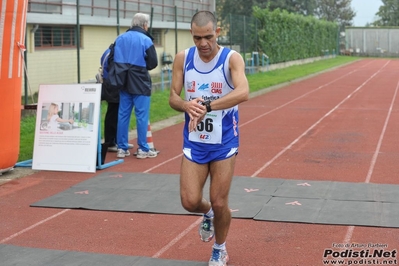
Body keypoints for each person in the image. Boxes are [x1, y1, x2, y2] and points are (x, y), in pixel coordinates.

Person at [168, 11, 249, 266]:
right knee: (189, 200)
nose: (203, 43)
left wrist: (208, 106)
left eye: (208, 37)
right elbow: (172, 97)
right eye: (197, 38)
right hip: (194, 139)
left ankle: (220, 248)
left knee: (220, 199)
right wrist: (185, 105)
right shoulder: (183, 58)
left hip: (224, 140)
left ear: (218, 32)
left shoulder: (231, 59)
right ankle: (208, 212)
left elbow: (244, 91)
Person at [111, 13, 158, 159]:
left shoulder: (120, 38)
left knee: (123, 114)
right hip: (140, 81)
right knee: (141, 116)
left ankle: (122, 148)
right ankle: (143, 148)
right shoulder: (146, 39)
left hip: (123, 80)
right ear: (144, 25)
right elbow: (153, 63)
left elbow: (111, 58)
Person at [97, 47, 133, 153]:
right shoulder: (115, 54)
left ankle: (117, 141)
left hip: (109, 83)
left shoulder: (107, 52)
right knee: (114, 112)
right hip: (113, 85)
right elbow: (117, 70)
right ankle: (111, 141)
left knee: (115, 112)